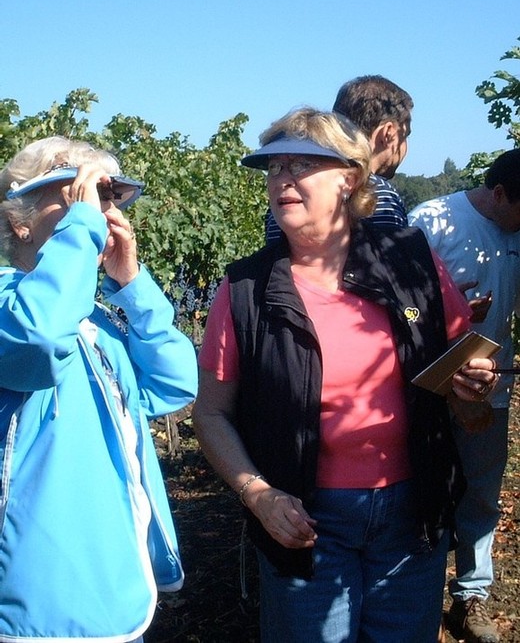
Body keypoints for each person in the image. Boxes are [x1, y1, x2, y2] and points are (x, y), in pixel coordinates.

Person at [193, 107, 498, 643]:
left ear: (349, 179)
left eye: (301, 164)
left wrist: (472, 390)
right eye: (273, 167)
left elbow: (463, 390)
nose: (281, 178)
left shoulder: (411, 261)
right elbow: (212, 413)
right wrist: (258, 494)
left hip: (413, 513)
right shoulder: (244, 290)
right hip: (304, 522)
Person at [0, 136, 198, 642]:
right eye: (73, 193)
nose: (96, 209)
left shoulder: (94, 320)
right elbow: (36, 341)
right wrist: (82, 229)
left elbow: (174, 382)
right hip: (40, 605)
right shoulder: (13, 305)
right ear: (18, 221)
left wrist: (130, 282)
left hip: (116, 586)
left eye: (105, 197)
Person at [409, 149, 520, 643]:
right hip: (426, 390)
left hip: (488, 389)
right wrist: (447, 311)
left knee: (480, 492)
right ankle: (414, 594)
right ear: (498, 194)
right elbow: (400, 308)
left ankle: (471, 593)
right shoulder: (430, 221)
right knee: (421, 489)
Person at [265, 75, 413, 244]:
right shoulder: (380, 195)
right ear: (389, 133)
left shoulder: (285, 201)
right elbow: (391, 265)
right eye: (406, 135)